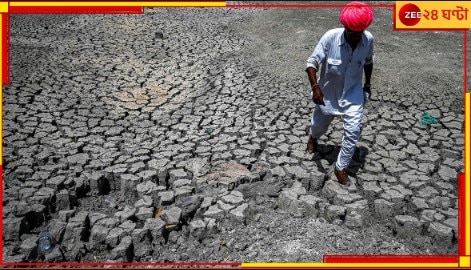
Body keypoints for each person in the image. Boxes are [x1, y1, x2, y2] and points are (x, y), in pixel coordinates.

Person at [305, 1, 375, 186]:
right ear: (345, 26)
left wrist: (367, 85)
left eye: (358, 33)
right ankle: (313, 137)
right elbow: (312, 63)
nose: (354, 37)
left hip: (353, 93)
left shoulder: (368, 40)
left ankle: (341, 167)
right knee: (319, 125)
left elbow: (368, 62)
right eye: (351, 32)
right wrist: (315, 87)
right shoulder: (330, 38)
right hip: (328, 93)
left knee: (353, 131)